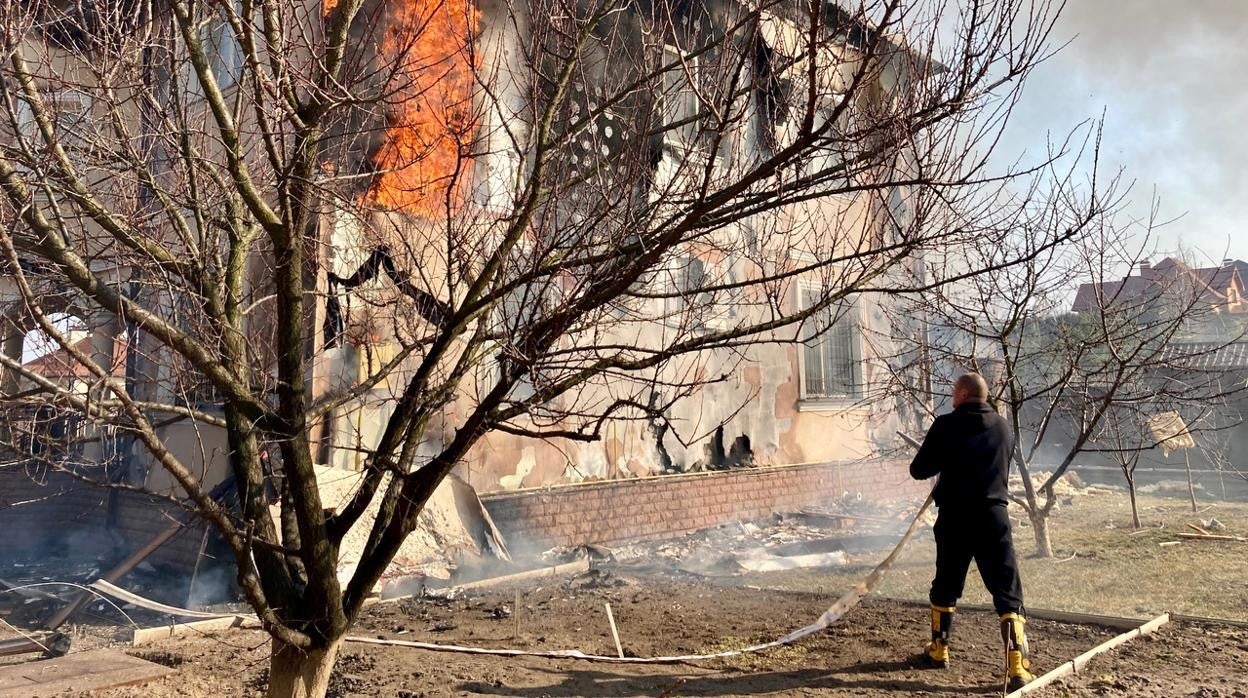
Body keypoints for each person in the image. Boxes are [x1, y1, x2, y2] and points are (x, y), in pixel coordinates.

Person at [908, 372, 1034, 691]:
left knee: (946, 584)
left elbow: (918, 470)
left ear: (962, 394)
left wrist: (944, 459)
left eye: (954, 393)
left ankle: (939, 650)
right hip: (994, 517)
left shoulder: (946, 425)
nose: (952, 398)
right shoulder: (1005, 427)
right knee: (1007, 590)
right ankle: (1017, 666)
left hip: (955, 518)